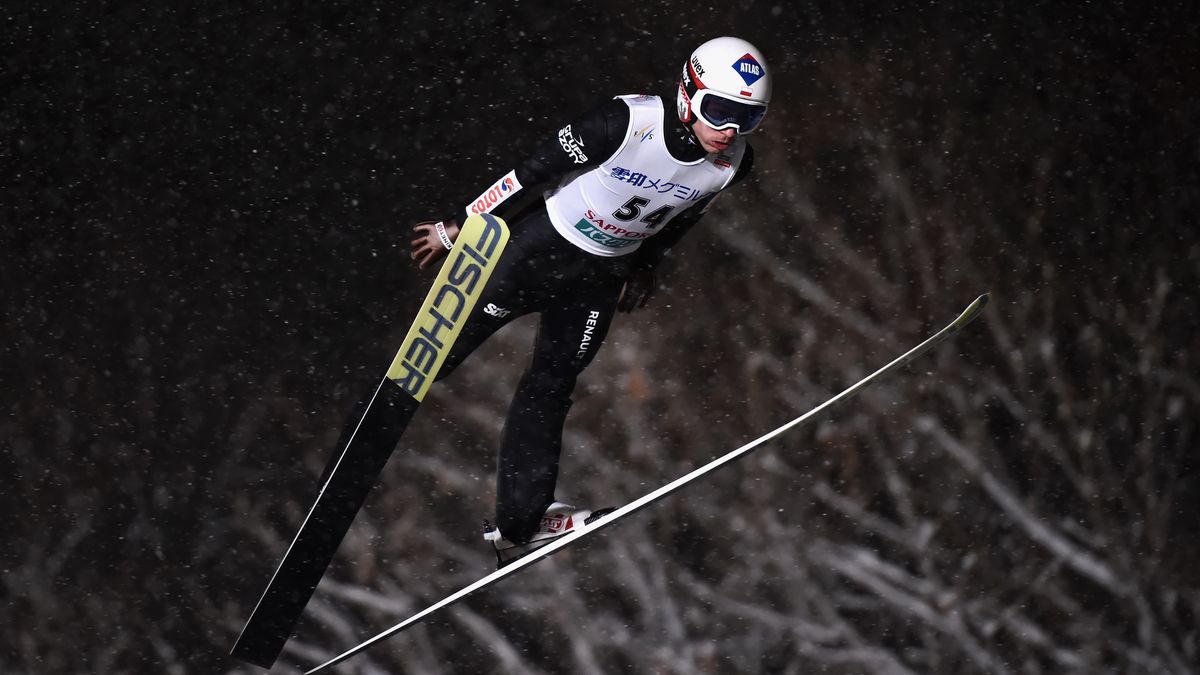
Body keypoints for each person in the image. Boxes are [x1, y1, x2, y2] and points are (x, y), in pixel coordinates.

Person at [409, 36, 772, 566]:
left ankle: (522, 523)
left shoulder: (733, 164)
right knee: (433, 357)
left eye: (748, 118)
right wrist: (464, 225)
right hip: (537, 252)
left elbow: (684, 213)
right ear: (689, 92)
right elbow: (530, 173)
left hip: (600, 275)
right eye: (721, 111)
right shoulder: (625, 123)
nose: (730, 130)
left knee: (553, 383)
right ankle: (367, 422)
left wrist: (649, 264)